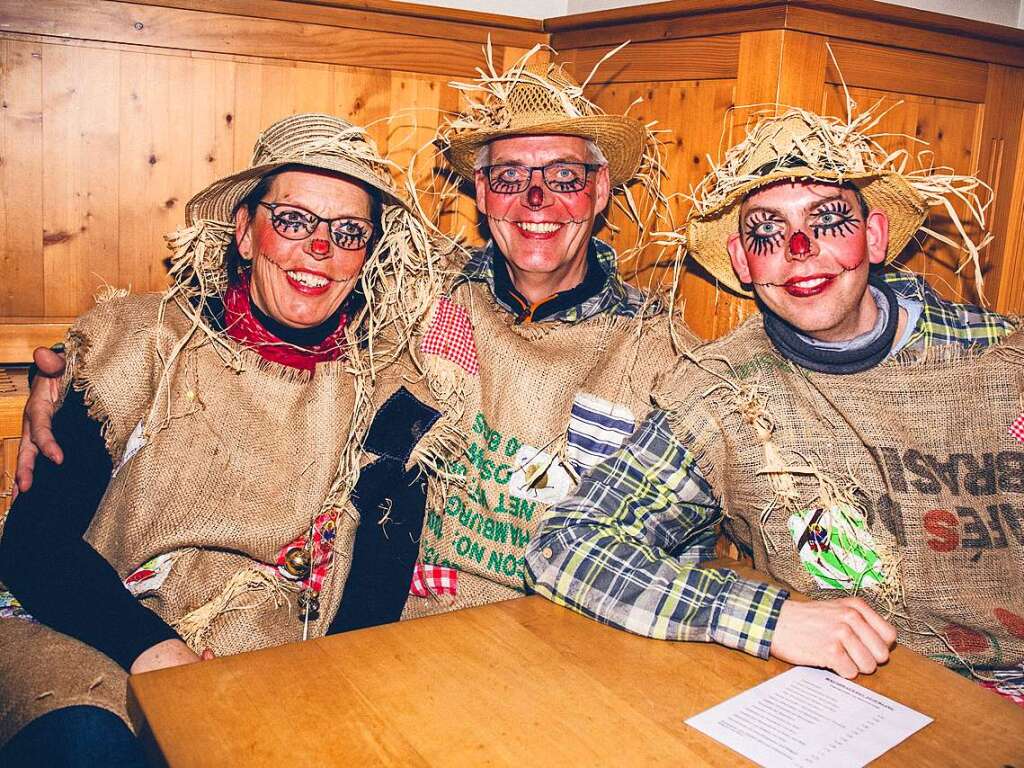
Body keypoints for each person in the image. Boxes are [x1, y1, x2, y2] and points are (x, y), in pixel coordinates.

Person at [525, 106, 1024, 701]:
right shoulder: (723, 392)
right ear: (741, 261)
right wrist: (768, 619)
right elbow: (567, 540)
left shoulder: (1002, 362)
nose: (798, 248)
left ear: (875, 237)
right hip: (861, 701)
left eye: (829, 219)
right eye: (766, 231)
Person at [0, 113, 448, 764]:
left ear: (368, 258)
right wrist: (161, 655)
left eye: (348, 232)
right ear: (243, 231)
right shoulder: (137, 346)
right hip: (87, 627)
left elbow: (374, 589)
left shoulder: (387, 388)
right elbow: (35, 546)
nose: (320, 250)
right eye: (293, 220)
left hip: (264, 651)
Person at [399, 50, 696, 618]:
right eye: (510, 177)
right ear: (481, 193)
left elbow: (685, 546)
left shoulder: (660, 350)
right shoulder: (423, 298)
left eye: (564, 176)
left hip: (568, 641)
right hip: (405, 632)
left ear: (601, 188)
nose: (536, 199)